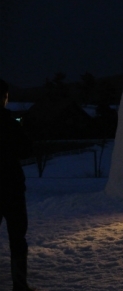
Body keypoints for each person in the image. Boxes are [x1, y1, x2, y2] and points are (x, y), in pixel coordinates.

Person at [0, 79, 35, 291]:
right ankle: (19, 285)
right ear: (4, 98)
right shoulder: (11, 125)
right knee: (17, 239)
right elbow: (26, 151)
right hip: (11, 188)